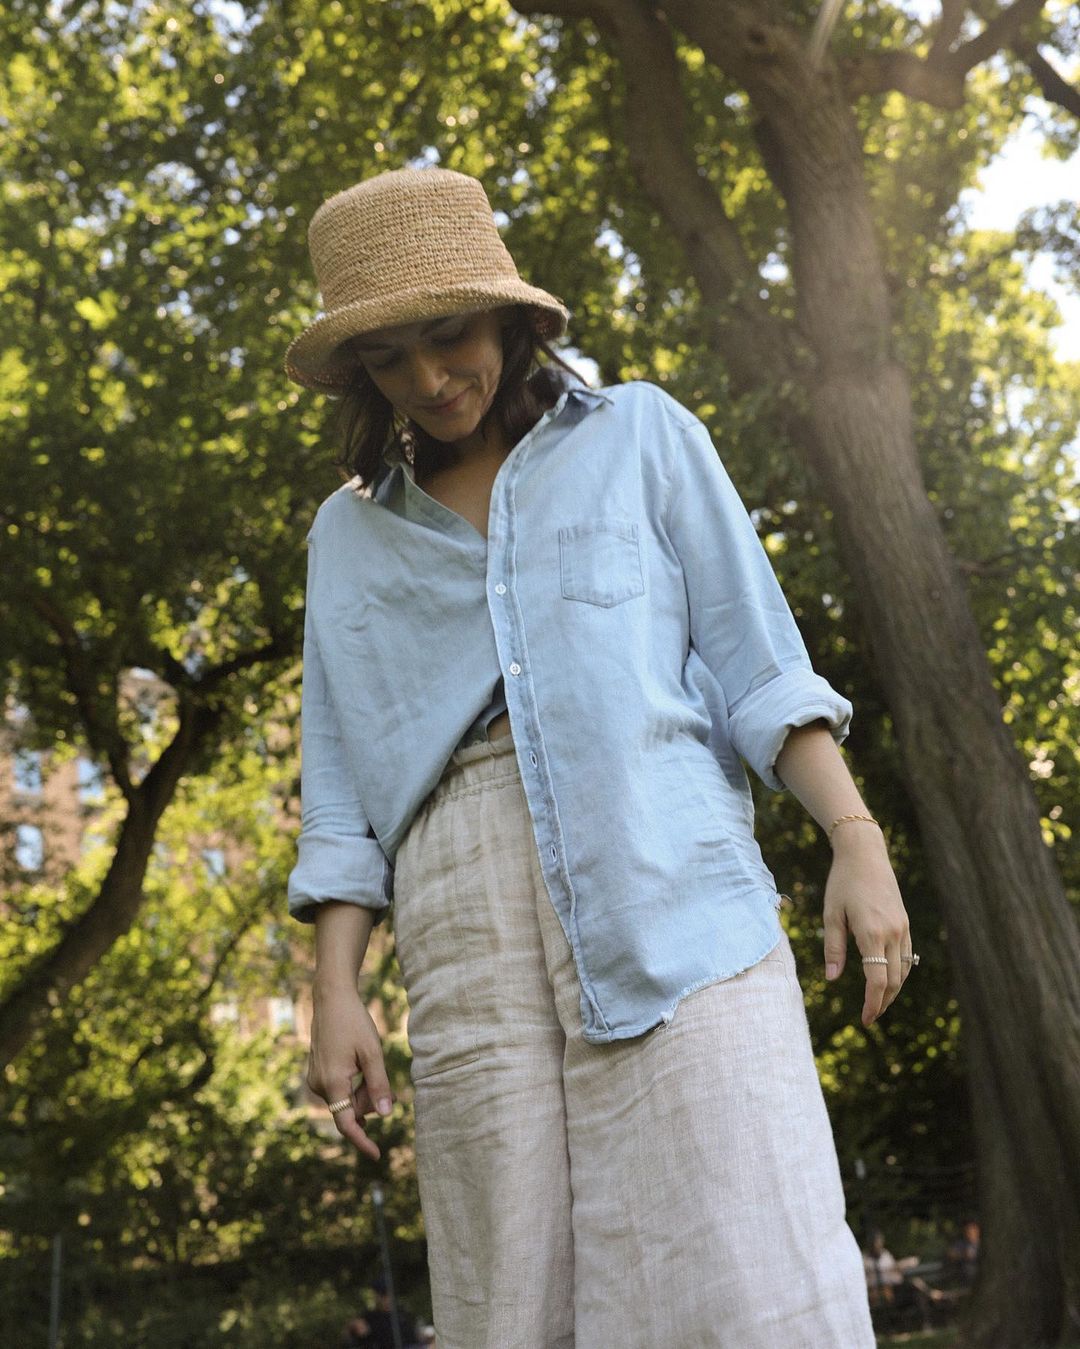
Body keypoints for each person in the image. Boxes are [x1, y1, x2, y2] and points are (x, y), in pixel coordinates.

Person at [284, 166, 917, 1347]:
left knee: (749, 1266)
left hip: (670, 873)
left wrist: (855, 836)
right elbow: (340, 792)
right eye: (388, 358)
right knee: (512, 1301)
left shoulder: (643, 436)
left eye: (448, 334)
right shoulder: (348, 534)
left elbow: (758, 663)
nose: (429, 378)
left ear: (507, 316)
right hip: (461, 921)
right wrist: (337, 991)